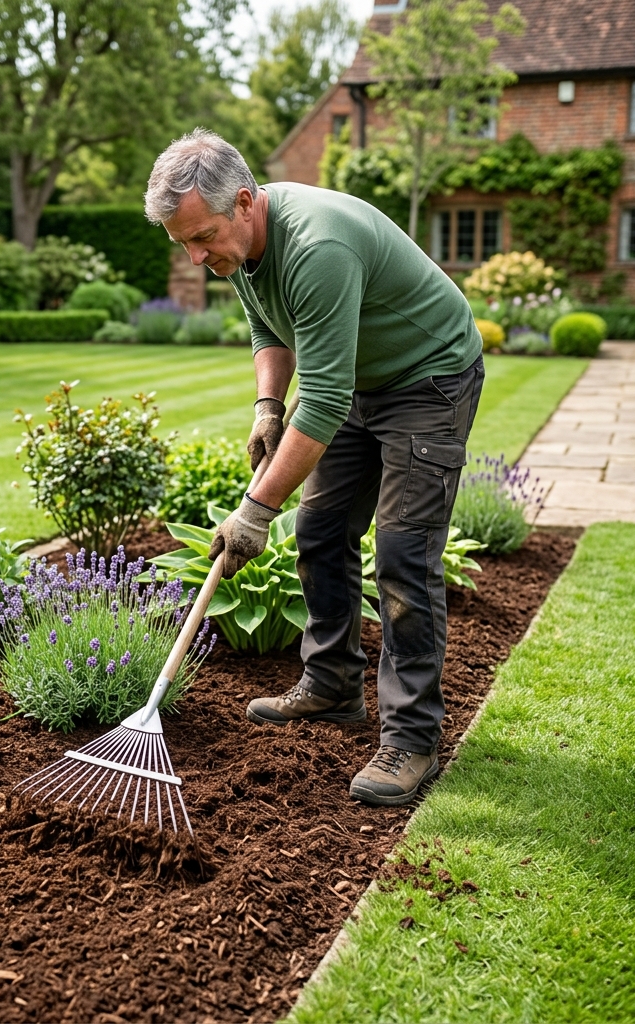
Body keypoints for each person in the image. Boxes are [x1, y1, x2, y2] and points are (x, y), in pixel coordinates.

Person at [144, 129, 483, 806]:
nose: (196, 255)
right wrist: (269, 406)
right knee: (322, 528)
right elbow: (271, 329)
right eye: (184, 243)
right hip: (360, 377)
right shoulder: (240, 248)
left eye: (203, 236)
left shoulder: (317, 246)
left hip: (429, 376)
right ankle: (330, 686)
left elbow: (323, 402)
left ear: (244, 202)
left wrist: (254, 512)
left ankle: (413, 739)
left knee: (404, 554)